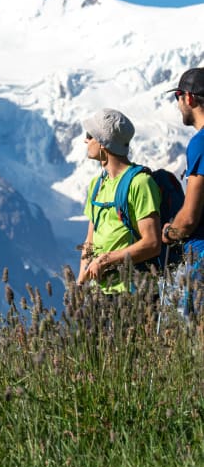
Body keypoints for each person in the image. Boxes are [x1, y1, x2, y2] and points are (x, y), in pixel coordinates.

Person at [77, 109, 161, 294]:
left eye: (90, 136)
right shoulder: (97, 184)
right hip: (98, 293)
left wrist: (105, 260)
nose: (85, 140)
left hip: (134, 293)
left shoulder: (140, 183)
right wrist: (80, 281)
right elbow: (89, 241)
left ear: (103, 143)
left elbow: (152, 243)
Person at [161, 68, 204, 308]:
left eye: (177, 96)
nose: (178, 103)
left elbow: (188, 218)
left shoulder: (200, 143)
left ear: (189, 97)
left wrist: (168, 233)